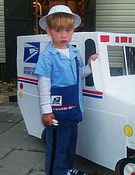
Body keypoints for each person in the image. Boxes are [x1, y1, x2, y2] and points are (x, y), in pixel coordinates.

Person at [34, 5, 98, 175]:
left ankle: (67, 170)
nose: (64, 35)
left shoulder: (75, 52)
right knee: (57, 145)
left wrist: (90, 66)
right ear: (48, 30)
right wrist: (46, 111)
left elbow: (79, 75)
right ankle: (56, 172)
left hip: (74, 109)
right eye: (58, 30)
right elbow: (44, 86)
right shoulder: (47, 56)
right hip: (56, 114)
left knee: (70, 143)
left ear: (73, 30)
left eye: (68, 30)